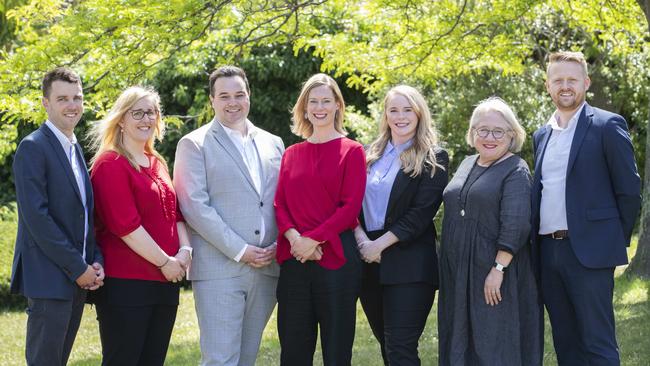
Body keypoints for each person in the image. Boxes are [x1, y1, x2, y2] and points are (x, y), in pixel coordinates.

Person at [532, 51, 641, 366]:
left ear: (586, 83)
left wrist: (609, 241)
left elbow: (629, 190)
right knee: (566, 343)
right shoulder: (542, 135)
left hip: (591, 253)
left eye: (572, 79)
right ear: (548, 85)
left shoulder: (607, 125)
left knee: (597, 344)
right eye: (558, 80)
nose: (565, 86)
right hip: (548, 252)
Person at [174, 65, 284, 366]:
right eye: (224, 96)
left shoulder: (273, 143)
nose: (232, 102)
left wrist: (279, 244)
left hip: (266, 268)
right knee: (221, 360)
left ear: (249, 96)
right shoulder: (194, 144)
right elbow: (194, 207)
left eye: (239, 94)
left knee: (246, 358)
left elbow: (279, 201)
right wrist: (240, 250)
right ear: (212, 100)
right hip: (220, 268)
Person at [10, 67, 104, 366]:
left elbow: (85, 214)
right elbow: (38, 219)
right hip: (49, 277)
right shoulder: (33, 147)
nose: (72, 105)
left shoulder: (74, 148)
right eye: (63, 98)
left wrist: (95, 259)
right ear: (45, 103)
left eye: (77, 97)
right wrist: (78, 267)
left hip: (77, 277)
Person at [88, 86, 189, 366]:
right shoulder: (110, 163)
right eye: (138, 113)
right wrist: (166, 262)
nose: (147, 119)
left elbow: (176, 214)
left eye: (152, 112)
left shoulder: (157, 162)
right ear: (121, 119)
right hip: (127, 286)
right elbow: (126, 227)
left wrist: (185, 252)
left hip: (165, 283)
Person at [438, 97, 543, 365]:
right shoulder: (467, 162)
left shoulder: (516, 170)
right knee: (462, 338)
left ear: (512, 135)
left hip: (494, 275)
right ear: (472, 133)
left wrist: (498, 269)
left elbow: (517, 223)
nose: (489, 137)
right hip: (460, 274)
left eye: (498, 131)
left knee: (494, 342)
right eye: (482, 130)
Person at [274, 73, 366, 366]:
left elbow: (350, 207)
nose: (320, 107)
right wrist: (296, 241)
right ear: (304, 107)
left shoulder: (352, 151)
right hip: (295, 262)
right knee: (293, 348)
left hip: (337, 260)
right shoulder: (291, 154)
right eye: (313, 101)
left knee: (337, 350)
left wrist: (312, 240)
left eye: (326, 100)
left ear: (338, 105)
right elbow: (279, 204)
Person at [354, 85, 448, 365]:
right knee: (387, 344)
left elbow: (421, 214)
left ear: (419, 114)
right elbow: (349, 204)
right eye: (393, 110)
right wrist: (363, 243)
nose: (400, 116)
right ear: (385, 114)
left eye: (408, 110)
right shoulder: (368, 154)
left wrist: (378, 246)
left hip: (409, 263)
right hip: (368, 262)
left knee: (400, 346)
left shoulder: (434, 157)